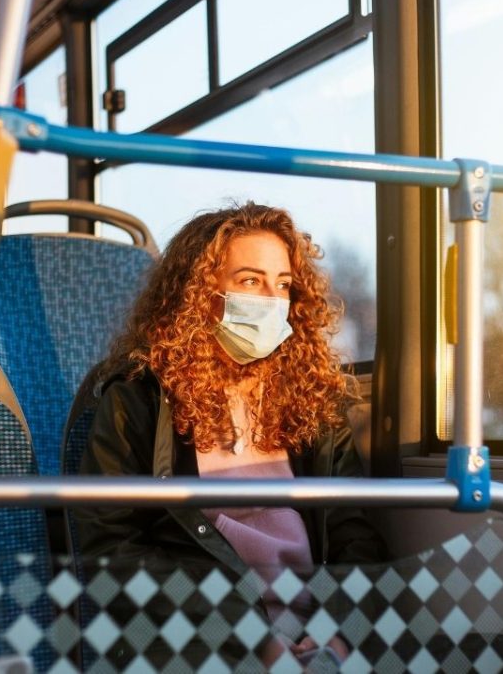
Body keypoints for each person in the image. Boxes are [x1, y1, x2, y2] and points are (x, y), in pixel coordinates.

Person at [74, 201, 387, 666]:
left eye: (282, 284)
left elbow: (352, 533)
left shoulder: (311, 398)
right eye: (249, 281)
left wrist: (342, 634)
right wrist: (252, 640)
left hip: (314, 631)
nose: (270, 299)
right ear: (201, 292)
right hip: (201, 634)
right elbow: (112, 551)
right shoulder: (138, 397)